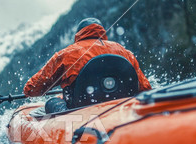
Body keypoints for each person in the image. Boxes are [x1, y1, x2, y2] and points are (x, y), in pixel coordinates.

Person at [23, 18, 152, 113]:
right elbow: (145, 88)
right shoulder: (124, 52)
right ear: (102, 31)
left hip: (81, 109)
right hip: (121, 106)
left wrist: (62, 82)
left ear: (79, 34)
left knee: (53, 102)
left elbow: (32, 89)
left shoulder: (66, 54)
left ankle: (65, 119)